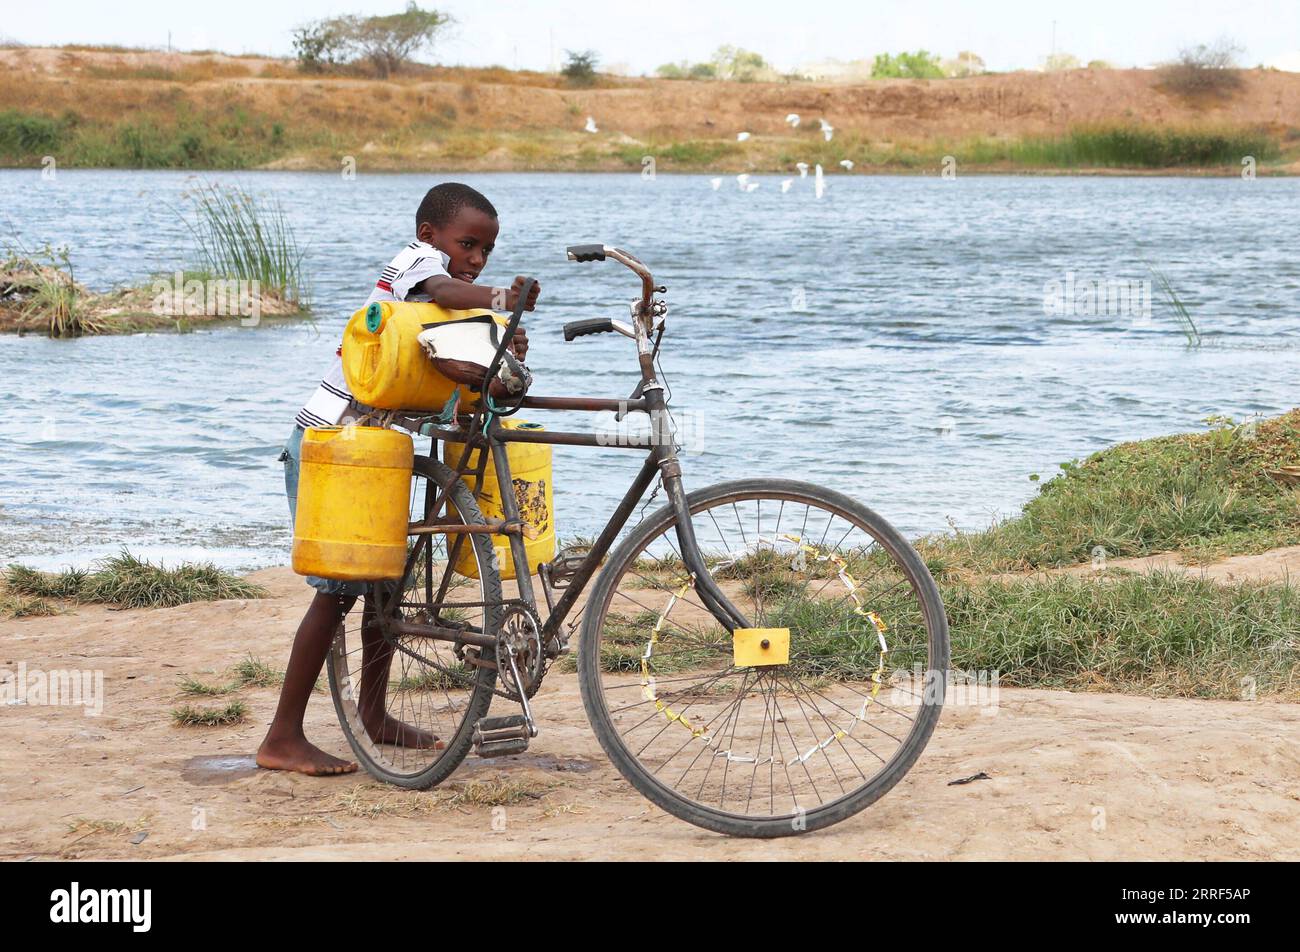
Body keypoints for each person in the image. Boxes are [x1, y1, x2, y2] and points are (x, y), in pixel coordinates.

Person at [257, 182, 539, 776]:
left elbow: (439, 369)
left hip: (375, 451)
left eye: (487, 250)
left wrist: (500, 341)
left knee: (382, 580)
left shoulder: (443, 305)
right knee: (337, 590)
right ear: (430, 235)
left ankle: (375, 713)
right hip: (330, 444)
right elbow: (444, 287)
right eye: (467, 244)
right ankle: (281, 737)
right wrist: (495, 296)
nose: (477, 257)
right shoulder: (415, 266)